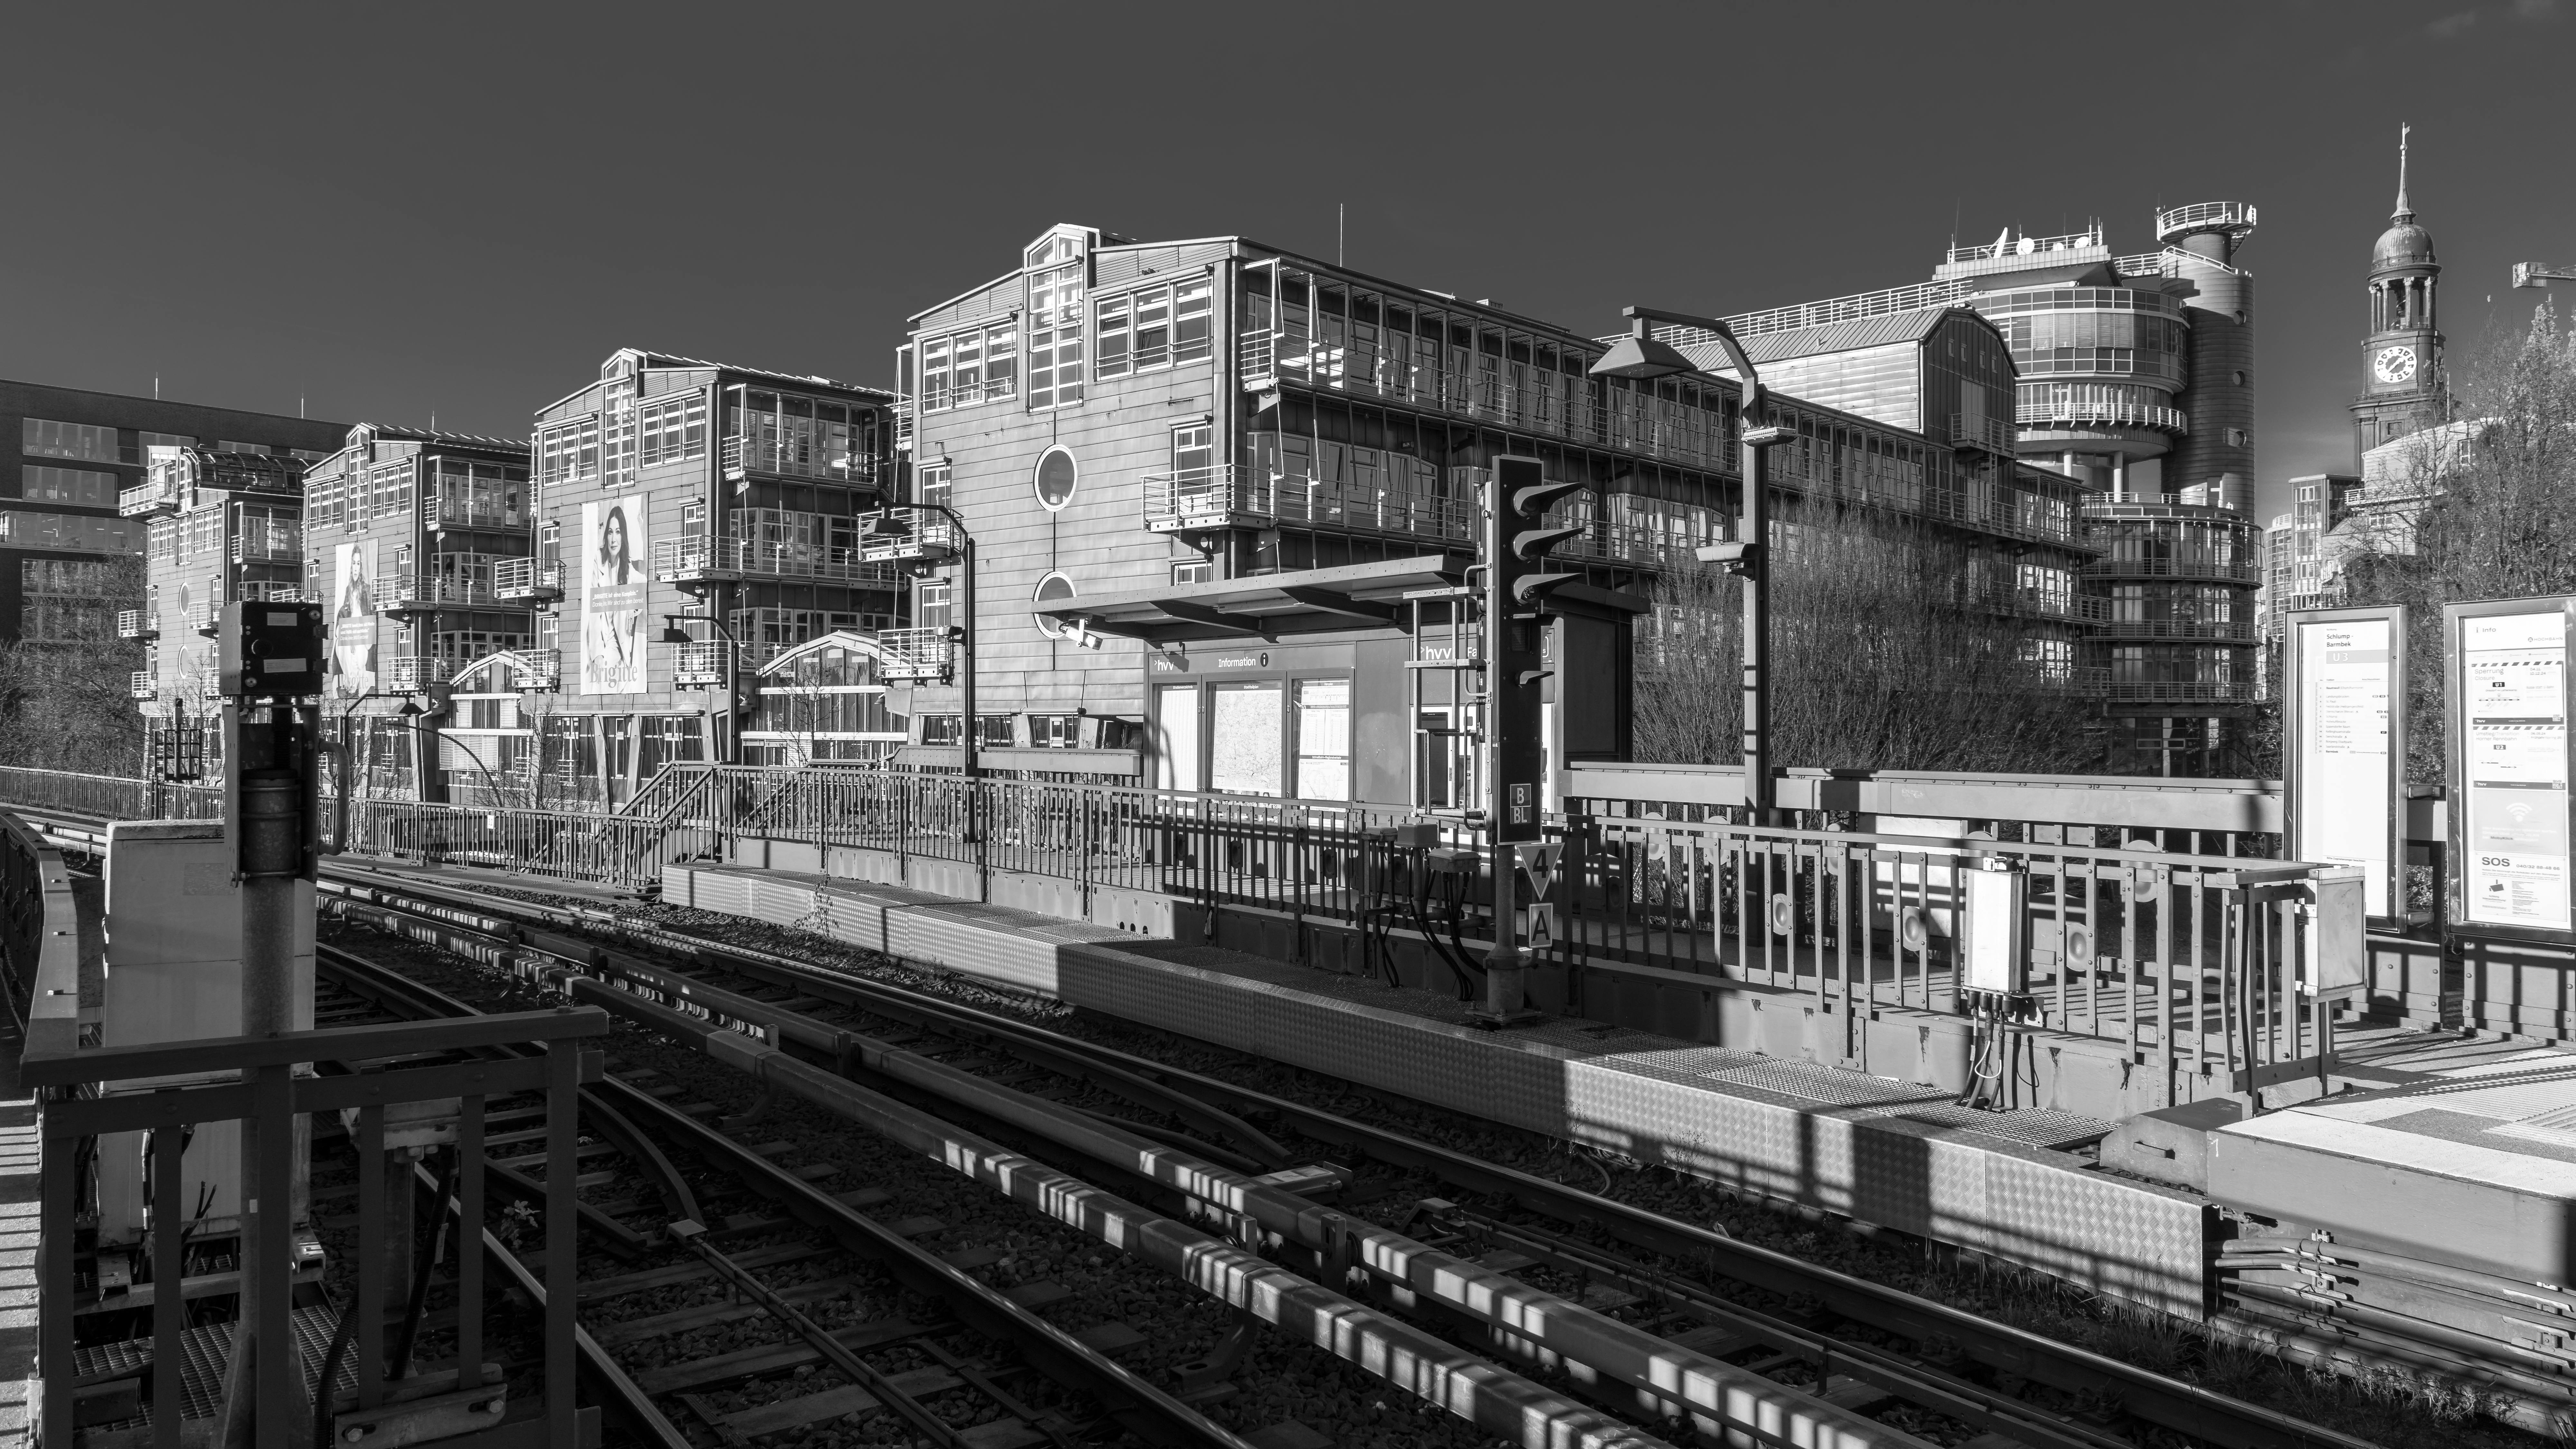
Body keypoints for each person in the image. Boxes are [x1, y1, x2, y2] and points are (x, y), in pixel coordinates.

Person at [597, 505, 635, 586]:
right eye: (610, 532)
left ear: (623, 537)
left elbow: (644, 581)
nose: (613, 540)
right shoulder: (598, 559)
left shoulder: (628, 567)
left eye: (618, 532)